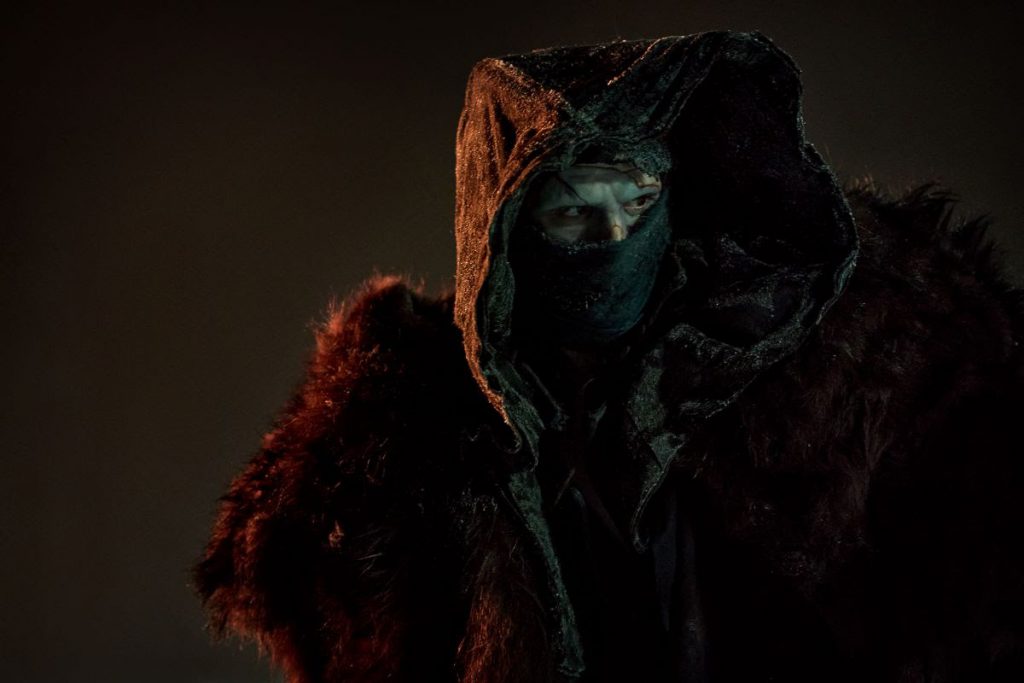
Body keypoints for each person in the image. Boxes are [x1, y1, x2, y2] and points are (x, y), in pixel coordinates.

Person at [194, 32, 1024, 682]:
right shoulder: (411, 438)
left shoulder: (809, 366)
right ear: (509, 227)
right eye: (571, 212)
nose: (611, 237)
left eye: (638, 200)